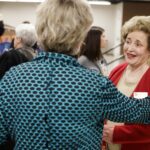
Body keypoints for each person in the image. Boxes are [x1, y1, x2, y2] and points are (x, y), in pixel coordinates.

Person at [0, 1, 150, 150]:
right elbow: (140, 111)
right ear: (81, 37)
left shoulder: (12, 78)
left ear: (40, 32)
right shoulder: (95, 85)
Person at [103, 16, 150, 150]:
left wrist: (118, 134)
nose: (130, 48)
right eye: (128, 42)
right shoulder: (117, 71)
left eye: (138, 44)